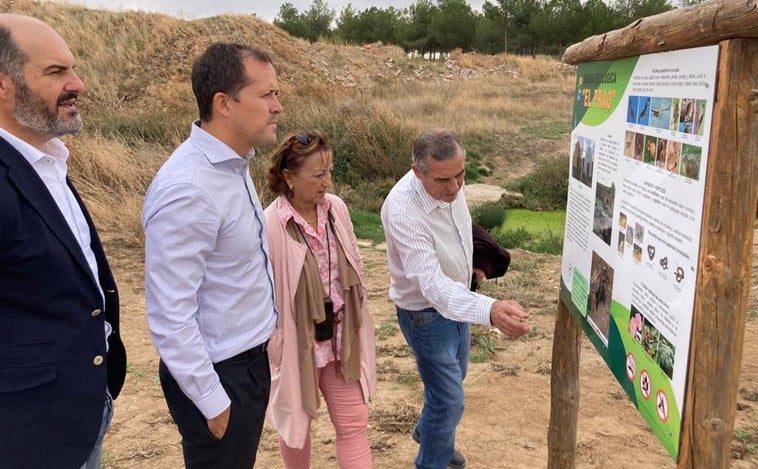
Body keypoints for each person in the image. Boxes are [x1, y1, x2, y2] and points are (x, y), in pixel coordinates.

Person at [142, 42, 281, 468]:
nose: (277, 106)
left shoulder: (232, 167)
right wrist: (212, 400)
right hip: (220, 376)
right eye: (267, 94)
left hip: (248, 365)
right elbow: (170, 314)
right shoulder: (189, 187)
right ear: (224, 103)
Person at [0, 14, 127, 468]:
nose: (78, 83)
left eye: (72, 68)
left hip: (78, 414)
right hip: (25, 436)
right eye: (56, 72)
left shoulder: (46, 161)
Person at [380, 128, 530, 469]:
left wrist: (475, 265)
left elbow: (459, 231)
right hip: (426, 315)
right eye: (444, 180)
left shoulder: (449, 183)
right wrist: (490, 310)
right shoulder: (403, 212)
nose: (455, 187)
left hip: (459, 299)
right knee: (449, 399)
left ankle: (430, 432)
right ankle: (433, 459)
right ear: (418, 172)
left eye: (461, 175)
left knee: (453, 380)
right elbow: (431, 285)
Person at [264, 130, 377, 468]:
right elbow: (263, 295)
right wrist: (276, 343)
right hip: (298, 342)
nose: (328, 181)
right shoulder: (271, 225)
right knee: (296, 427)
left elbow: (354, 258)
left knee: (354, 423)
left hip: (342, 338)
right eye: (318, 174)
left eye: (330, 171)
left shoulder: (336, 210)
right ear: (288, 177)